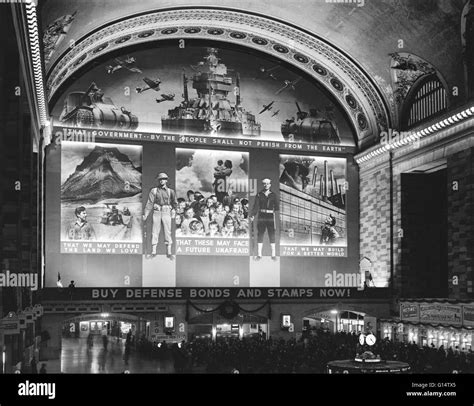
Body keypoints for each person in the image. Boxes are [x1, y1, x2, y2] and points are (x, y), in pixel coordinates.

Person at [144, 173, 177, 259]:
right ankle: (153, 252)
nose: (162, 180)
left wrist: (174, 210)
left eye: (164, 179)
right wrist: (146, 214)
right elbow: (149, 203)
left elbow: (175, 203)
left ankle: (169, 253)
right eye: (160, 179)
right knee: (155, 231)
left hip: (166, 212)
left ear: (166, 180)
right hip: (157, 212)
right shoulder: (154, 190)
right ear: (158, 180)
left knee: (167, 231)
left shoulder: (171, 191)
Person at [250, 178, 279, 260]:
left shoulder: (273, 195)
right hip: (261, 216)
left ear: (270, 185)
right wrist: (252, 215)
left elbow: (276, 207)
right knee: (260, 234)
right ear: (263, 185)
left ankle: (273, 255)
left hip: (270, 217)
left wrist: (272, 212)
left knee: (271, 234)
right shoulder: (259, 194)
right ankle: (259, 255)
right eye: (264, 184)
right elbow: (255, 206)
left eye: (268, 183)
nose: (266, 185)